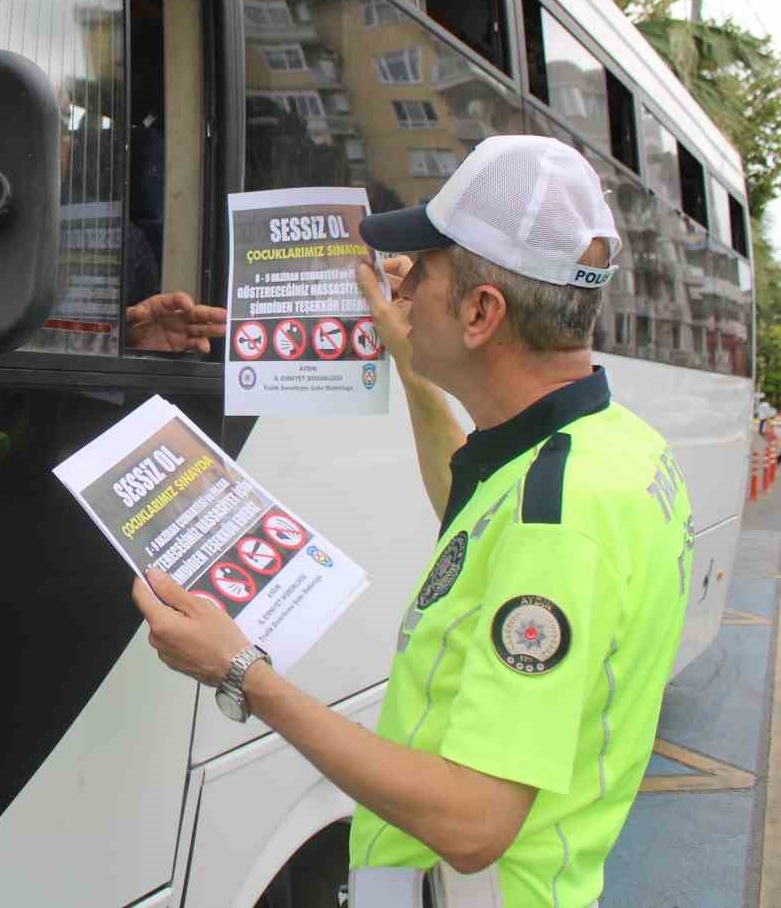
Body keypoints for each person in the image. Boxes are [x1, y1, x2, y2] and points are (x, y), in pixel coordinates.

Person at [131, 136, 693, 907]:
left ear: (481, 312)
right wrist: (409, 359)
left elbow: (473, 824)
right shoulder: (611, 449)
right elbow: (472, 517)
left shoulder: (559, 520)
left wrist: (241, 672)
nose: (400, 289)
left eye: (422, 272)